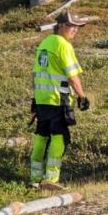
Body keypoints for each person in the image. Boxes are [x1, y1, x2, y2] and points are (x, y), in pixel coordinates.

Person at [29, 10, 90, 190]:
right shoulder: (63, 45)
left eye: (78, 27)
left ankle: (35, 177)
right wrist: (82, 95)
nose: (75, 30)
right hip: (58, 99)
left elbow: (36, 74)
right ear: (61, 26)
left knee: (41, 136)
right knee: (59, 137)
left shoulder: (44, 43)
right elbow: (72, 76)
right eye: (72, 26)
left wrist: (34, 98)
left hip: (42, 100)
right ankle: (51, 179)